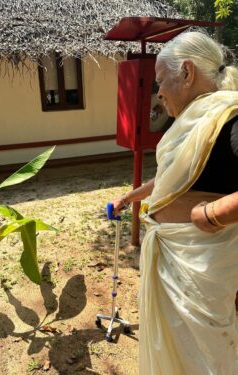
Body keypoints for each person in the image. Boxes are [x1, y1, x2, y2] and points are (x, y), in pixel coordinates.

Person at [112, 31, 238, 374]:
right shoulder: (192, 123)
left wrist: (213, 214)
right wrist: (132, 196)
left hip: (202, 270)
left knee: (203, 360)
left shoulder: (228, 118)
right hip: (175, 263)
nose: (158, 92)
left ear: (186, 72)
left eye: (160, 80)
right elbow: (174, 181)